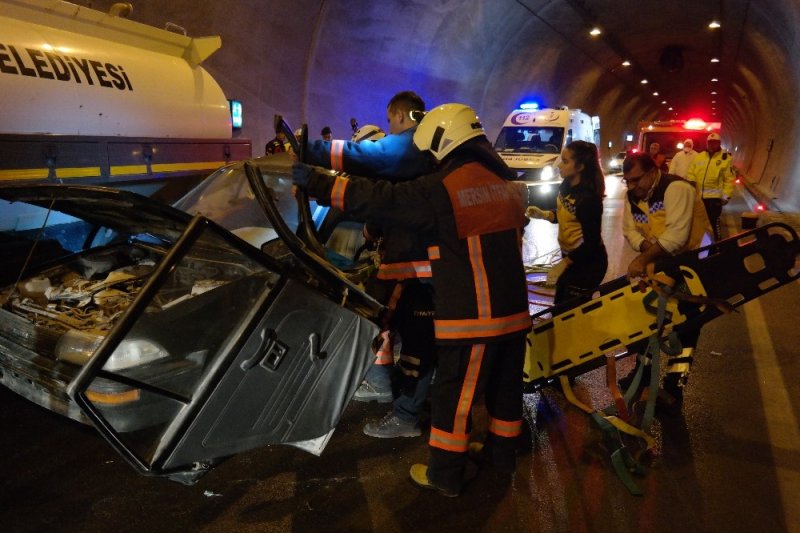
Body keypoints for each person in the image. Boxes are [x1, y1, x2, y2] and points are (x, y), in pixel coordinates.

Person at [293, 103, 531, 497]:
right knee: (504, 393)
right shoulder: (500, 183)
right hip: (514, 316)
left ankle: (446, 474)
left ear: (442, 141)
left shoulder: (446, 188)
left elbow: (384, 199)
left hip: (473, 318)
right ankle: (501, 457)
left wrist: (319, 184)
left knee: (453, 397)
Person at [305, 91, 436, 440]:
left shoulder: (412, 145)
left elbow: (370, 169)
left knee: (416, 344)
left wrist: (310, 152)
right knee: (412, 339)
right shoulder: (428, 154)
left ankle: (406, 415)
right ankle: (402, 402)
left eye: (392, 121)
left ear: (400, 115)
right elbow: (390, 202)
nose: (391, 130)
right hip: (417, 266)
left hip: (417, 268)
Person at [621, 152, 713, 406]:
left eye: (635, 180)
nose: (631, 186)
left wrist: (643, 259)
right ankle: (642, 374)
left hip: (696, 266)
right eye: (626, 181)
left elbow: (677, 236)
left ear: (652, 172)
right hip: (664, 262)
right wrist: (646, 247)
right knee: (647, 318)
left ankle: (675, 387)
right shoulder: (633, 196)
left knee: (687, 327)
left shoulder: (677, 189)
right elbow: (629, 229)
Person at [526, 140, 607, 305]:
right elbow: (567, 216)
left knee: (570, 314)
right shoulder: (566, 186)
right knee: (560, 309)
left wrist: (564, 263)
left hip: (588, 265)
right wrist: (546, 215)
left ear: (580, 167)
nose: (559, 165)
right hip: (572, 261)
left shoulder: (588, 199)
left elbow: (591, 243)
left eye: (565, 161)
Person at [685, 132, 735, 241]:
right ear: (707, 143)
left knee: (714, 222)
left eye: (714, 143)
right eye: (710, 143)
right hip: (698, 196)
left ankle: (717, 244)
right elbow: (691, 172)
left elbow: (729, 179)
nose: (712, 145)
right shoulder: (700, 156)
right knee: (698, 222)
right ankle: (701, 243)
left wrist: (726, 196)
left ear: (719, 143)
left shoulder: (725, 158)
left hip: (714, 198)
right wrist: (691, 185)